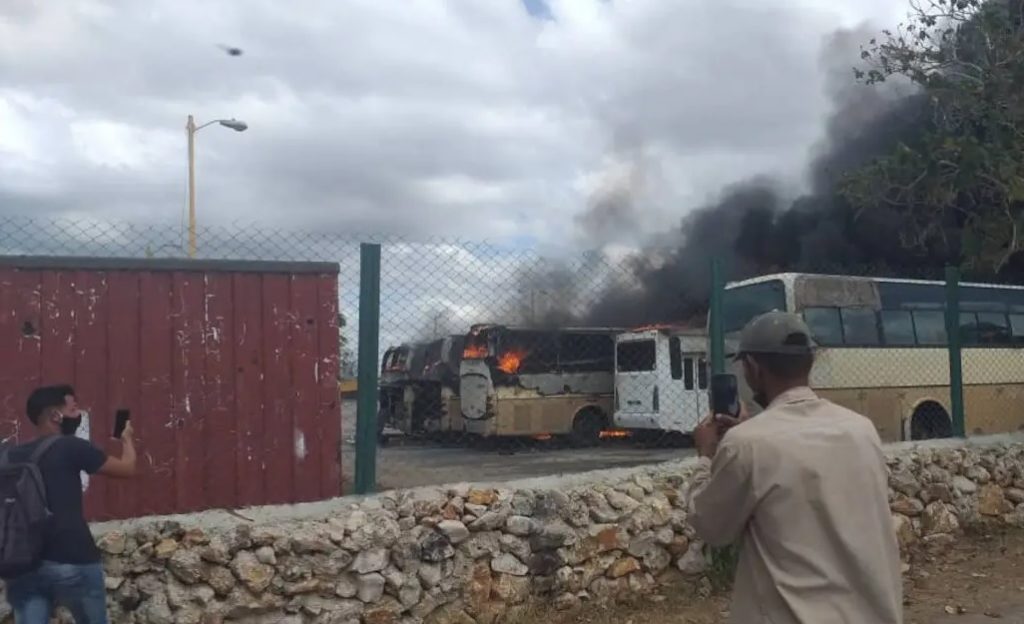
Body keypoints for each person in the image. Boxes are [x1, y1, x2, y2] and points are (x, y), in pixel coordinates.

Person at [686, 312, 902, 624]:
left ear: (753, 368)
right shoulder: (861, 430)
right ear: (809, 363)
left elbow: (711, 527)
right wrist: (751, 429)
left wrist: (706, 455)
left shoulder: (746, 444)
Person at [4, 385, 137, 624]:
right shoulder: (71, 446)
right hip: (73, 560)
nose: (79, 414)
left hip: (22, 564)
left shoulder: (11, 455)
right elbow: (127, 469)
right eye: (74, 409)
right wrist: (126, 439)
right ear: (56, 415)